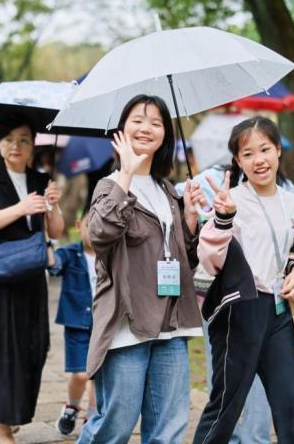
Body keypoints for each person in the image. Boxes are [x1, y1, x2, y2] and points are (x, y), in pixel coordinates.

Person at [77, 94, 205, 444]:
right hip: (128, 324)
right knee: (115, 424)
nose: (146, 128)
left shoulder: (167, 191)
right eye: (137, 120)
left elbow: (184, 262)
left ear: (166, 133)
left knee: (169, 426)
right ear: (122, 130)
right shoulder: (109, 186)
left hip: (171, 324)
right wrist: (127, 173)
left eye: (156, 122)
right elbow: (100, 233)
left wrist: (190, 221)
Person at [194, 116, 294, 444]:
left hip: (279, 313)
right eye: (247, 154)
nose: (258, 160)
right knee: (225, 408)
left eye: (265, 149)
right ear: (237, 161)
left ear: (277, 151)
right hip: (240, 312)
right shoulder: (231, 201)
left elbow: (286, 251)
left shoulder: (291, 201)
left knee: (292, 407)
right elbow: (210, 260)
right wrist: (222, 218)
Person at [0, 117, 64, 444]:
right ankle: (3, 427)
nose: (15, 146)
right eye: (8, 139)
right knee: (0, 348)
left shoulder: (40, 179)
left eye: (23, 140)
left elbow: (56, 231)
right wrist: (20, 208)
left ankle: (16, 410)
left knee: (33, 345)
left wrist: (51, 205)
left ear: (33, 144)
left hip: (31, 274)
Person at [48, 211, 98, 435]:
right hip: (77, 323)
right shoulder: (70, 253)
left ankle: (93, 415)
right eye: (89, 225)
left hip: (103, 324)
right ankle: (72, 406)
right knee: (80, 374)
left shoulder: (112, 254)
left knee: (98, 374)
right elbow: (54, 266)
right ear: (79, 226)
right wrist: (46, 239)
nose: (95, 230)